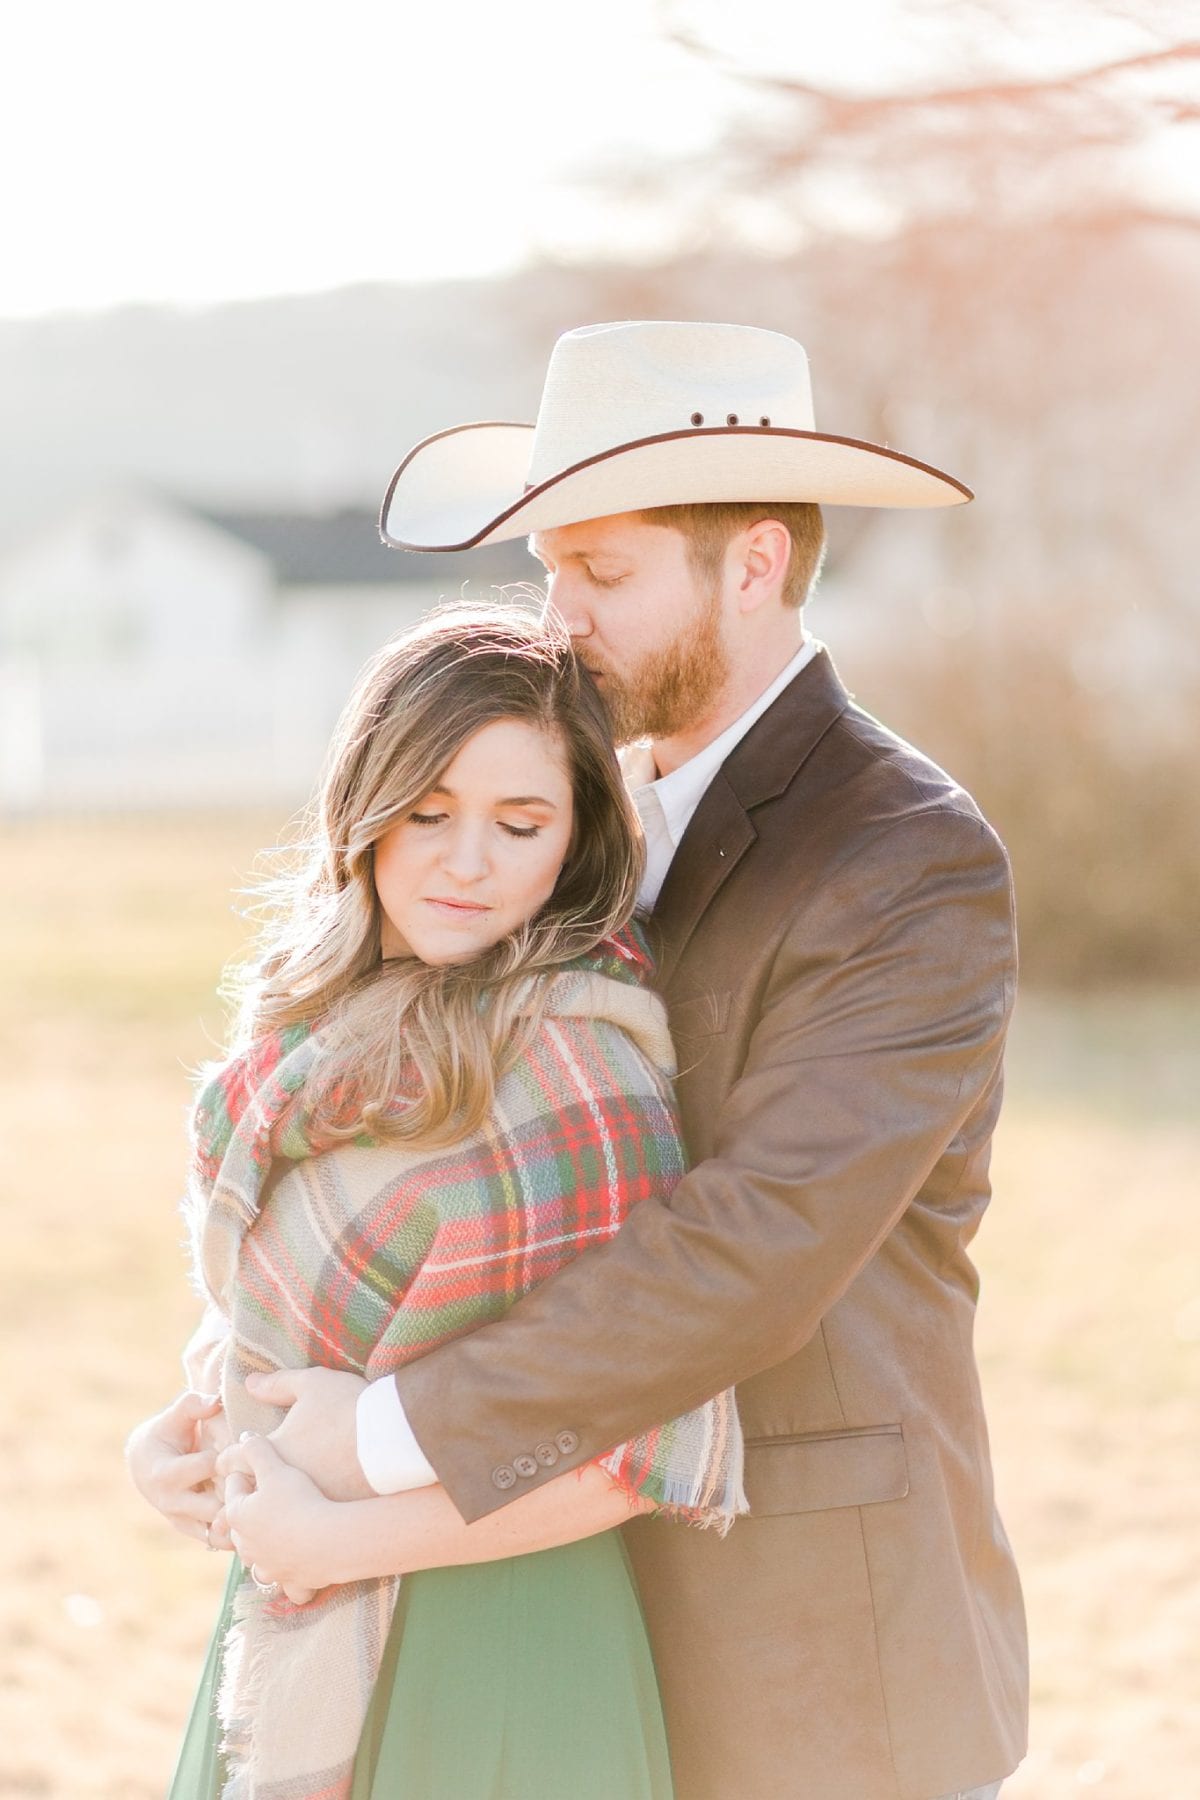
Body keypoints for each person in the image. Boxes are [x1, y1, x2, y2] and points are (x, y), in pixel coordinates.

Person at [226, 319, 1027, 1800]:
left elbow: (758, 1244)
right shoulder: (556, 817)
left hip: (811, 1650)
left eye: (603, 573)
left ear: (757, 564)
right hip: (533, 1606)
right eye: (549, 571)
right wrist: (230, 1413)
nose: (559, 615)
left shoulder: (906, 856)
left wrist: (385, 1437)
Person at [127, 603, 745, 1800]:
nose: (468, 863)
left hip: (502, 1645)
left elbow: (632, 1448)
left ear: (575, 842)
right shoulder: (314, 1038)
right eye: (428, 814)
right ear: (363, 809)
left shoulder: (585, 1070)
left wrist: (341, 1538)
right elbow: (280, 1332)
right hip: (287, 1624)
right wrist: (184, 1435)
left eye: (521, 824)